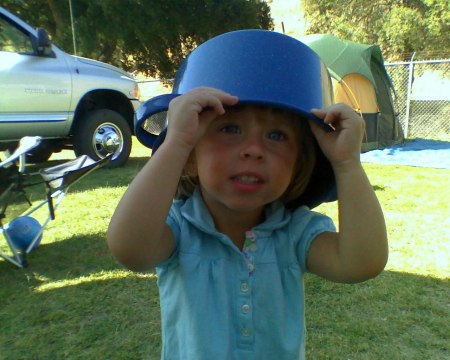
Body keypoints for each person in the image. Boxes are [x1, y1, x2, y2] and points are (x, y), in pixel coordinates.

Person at [107, 30, 388, 360]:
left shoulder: (295, 234)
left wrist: (347, 164)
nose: (254, 150)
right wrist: (176, 144)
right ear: (192, 160)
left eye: (276, 135)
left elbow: (361, 263)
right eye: (230, 129)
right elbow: (129, 249)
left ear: (299, 165)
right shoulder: (178, 231)